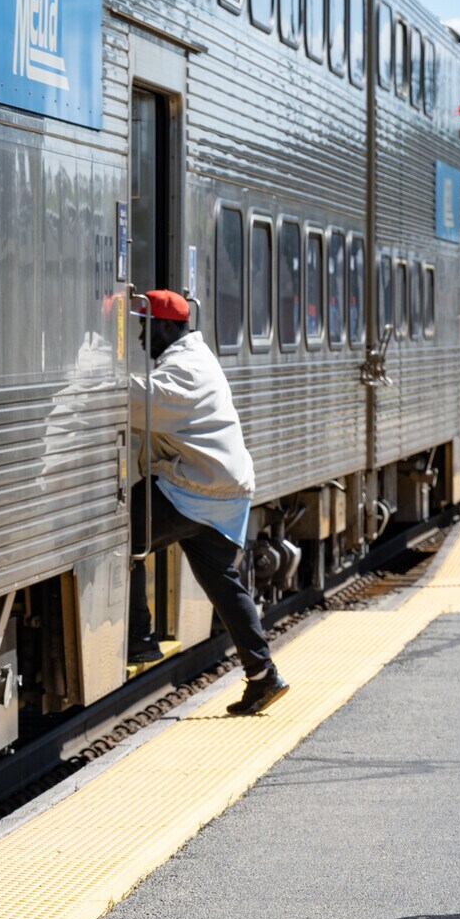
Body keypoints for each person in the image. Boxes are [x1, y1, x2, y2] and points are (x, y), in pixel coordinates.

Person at [128, 289, 288, 716]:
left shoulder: (185, 369)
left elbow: (143, 402)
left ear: (165, 326)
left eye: (145, 328)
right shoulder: (194, 358)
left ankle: (138, 638)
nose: (141, 339)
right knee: (222, 580)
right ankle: (263, 676)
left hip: (197, 488)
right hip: (221, 491)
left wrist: (92, 383)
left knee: (121, 529)